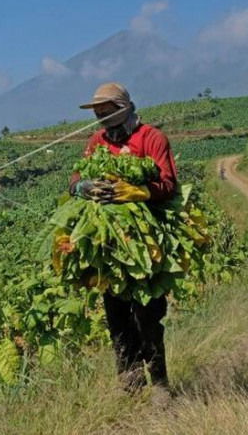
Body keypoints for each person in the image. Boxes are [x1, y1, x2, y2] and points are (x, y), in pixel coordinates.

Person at [69, 82, 178, 391]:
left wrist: (139, 192)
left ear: (124, 109)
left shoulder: (152, 138)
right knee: (116, 315)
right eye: (98, 114)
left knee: (147, 316)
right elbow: (75, 180)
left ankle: (159, 383)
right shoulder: (97, 141)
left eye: (107, 113)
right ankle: (128, 381)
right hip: (109, 246)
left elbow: (168, 184)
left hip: (147, 243)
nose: (102, 120)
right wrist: (84, 187)